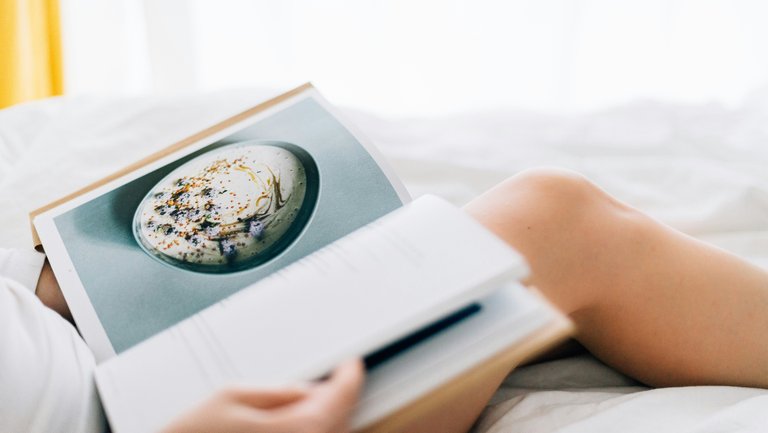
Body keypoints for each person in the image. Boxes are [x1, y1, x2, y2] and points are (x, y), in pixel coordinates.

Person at [4, 168, 768, 433]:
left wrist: (71, 277)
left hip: (131, 360)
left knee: (507, 249)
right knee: (558, 223)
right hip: (164, 416)